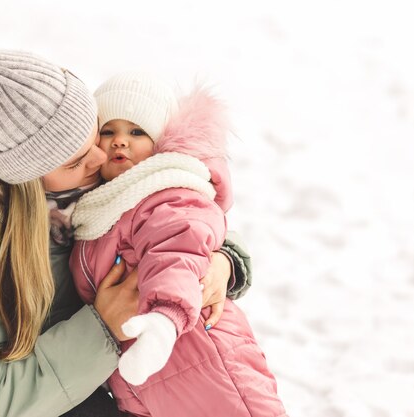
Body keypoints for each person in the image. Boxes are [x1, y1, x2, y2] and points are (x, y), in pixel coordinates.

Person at [0, 50, 253, 417]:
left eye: (94, 138)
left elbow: (166, 213)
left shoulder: (77, 175)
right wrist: (101, 325)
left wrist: (223, 260)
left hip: (47, 340)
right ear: (27, 183)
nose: (101, 159)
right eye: (76, 161)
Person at [70, 72, 287, 416]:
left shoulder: (166, 194)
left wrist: (164, 319)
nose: (120, 141)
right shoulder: (98, 209)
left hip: (203, 356)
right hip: (148, 383)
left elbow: (178, 251)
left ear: (159, 143)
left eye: (136, 132)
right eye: (108, 131)